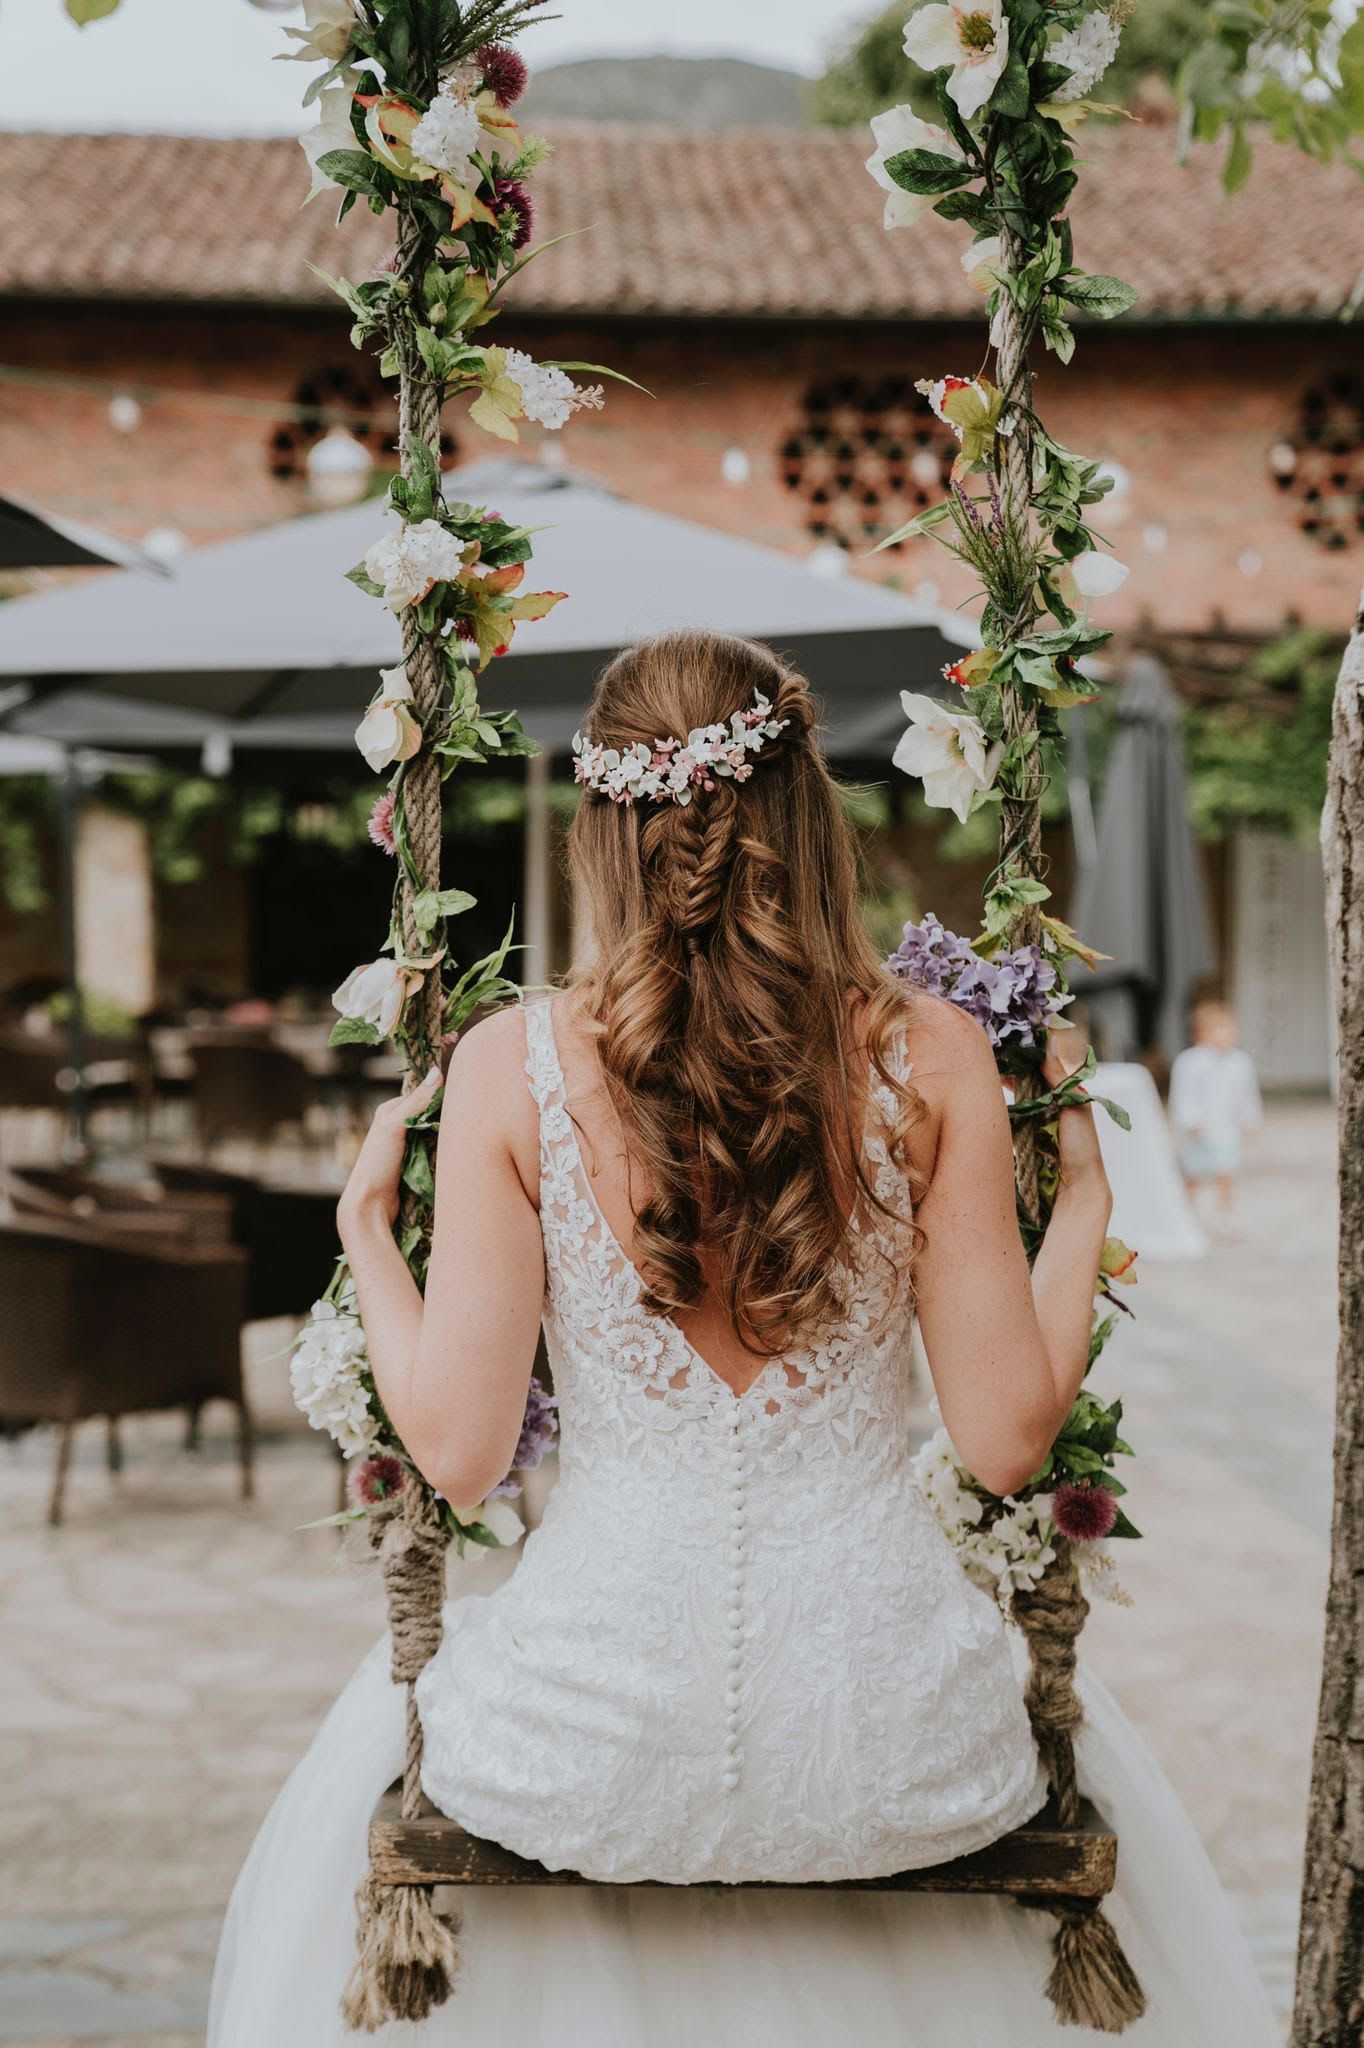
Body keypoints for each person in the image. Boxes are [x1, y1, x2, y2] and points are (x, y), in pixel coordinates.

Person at [209, 632, 1275, 2046]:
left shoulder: (508, 1068)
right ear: (806, 817)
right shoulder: (936, 1055)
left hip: (585, 1736)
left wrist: (362, 1233)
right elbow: (1012, 1441)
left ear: (601, 832)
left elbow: (458, 1459)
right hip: (890, 1736)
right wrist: (1079, 1195)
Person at [1169, 1000, 1262, 1226]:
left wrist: (1250, 1120)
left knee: (1226, 1172)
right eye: (1219, 1029)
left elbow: (1247, 1094)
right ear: (1200, 1033)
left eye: (1230, 1029)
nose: (1226, 1035)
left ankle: (1226, 1213)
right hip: (1199, 1131)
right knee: (1194, 1174)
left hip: (1226, 1129)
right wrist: (1190, 1121)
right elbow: (1183, 1094)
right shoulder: (1189, 1061)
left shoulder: (1240, 1062)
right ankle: (1184, 1215)